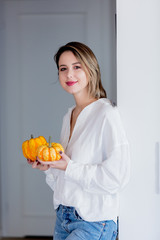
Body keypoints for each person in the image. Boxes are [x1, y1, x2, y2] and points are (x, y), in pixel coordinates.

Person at [28, 41, 130, 240]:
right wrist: (49, 167)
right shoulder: (69, 116)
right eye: (63, 69)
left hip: (93, 221)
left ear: (91, 69)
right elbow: (67, 180)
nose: (69, 75)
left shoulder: (106, 113)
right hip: (63, 217)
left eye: (77, 67)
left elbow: (117, 178)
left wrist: (68, 167)